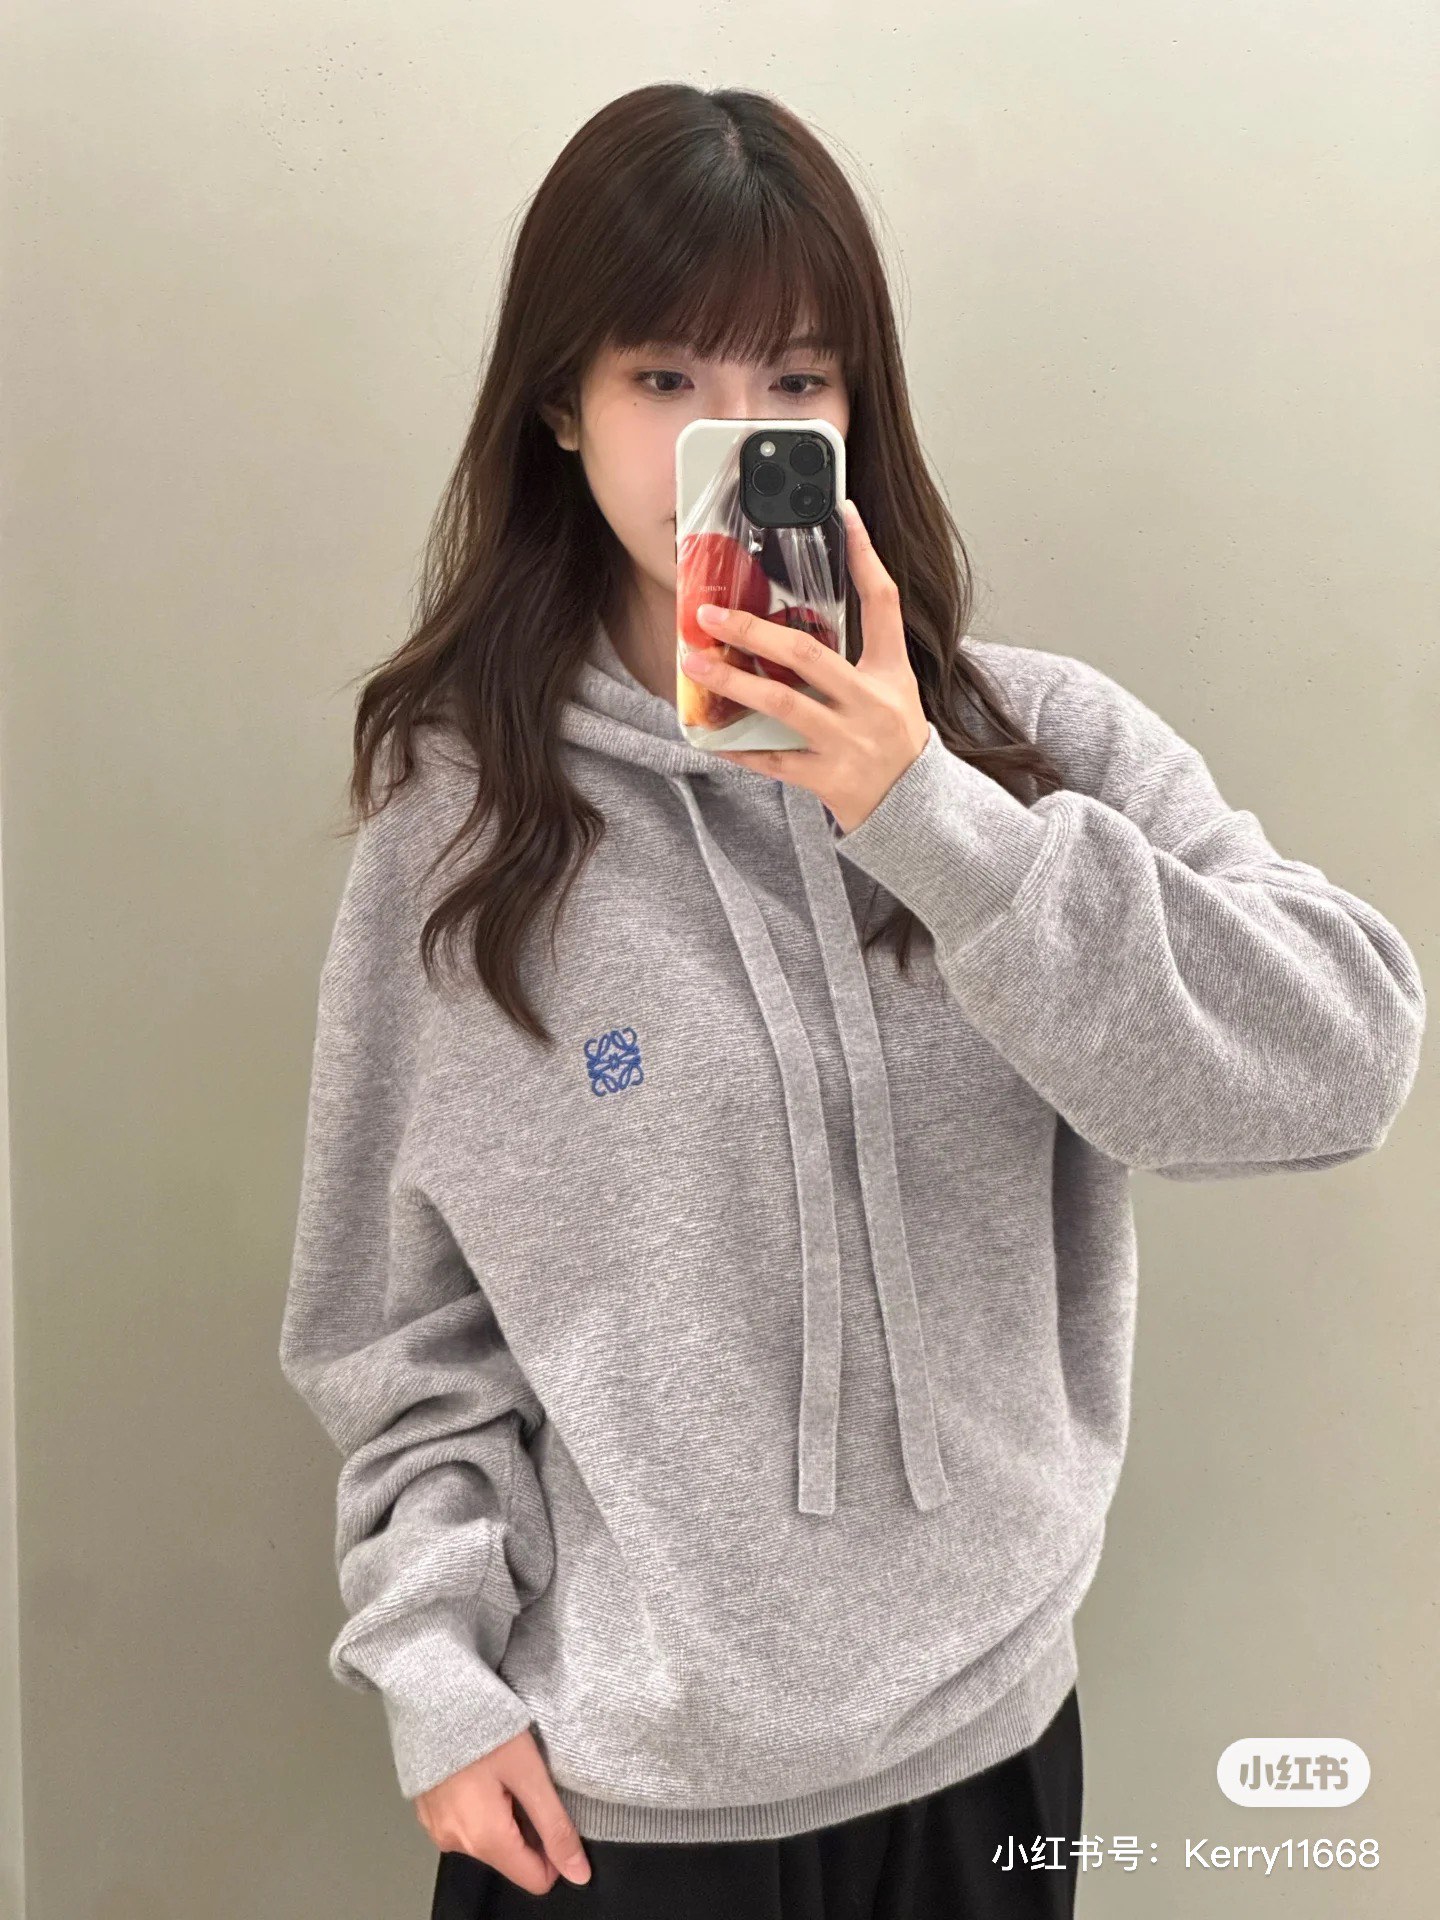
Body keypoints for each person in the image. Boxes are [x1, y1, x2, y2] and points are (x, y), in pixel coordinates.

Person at [277, 84, 1426, 1919]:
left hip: (987, 1756)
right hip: (617, 1804)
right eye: (666, 377)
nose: (733, 439)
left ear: (854, 410)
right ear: (559, 405)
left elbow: (1345, 1061)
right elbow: (398, 1330)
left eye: (793, 381)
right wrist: (432, 1667)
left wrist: (931, 819)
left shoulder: (1032, 752)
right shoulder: (463, 829)